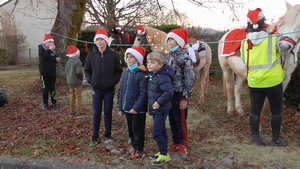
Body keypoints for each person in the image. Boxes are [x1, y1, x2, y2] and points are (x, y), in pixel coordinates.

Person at [240, 8, 286, 147]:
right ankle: (275, 139)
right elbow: (284, 53)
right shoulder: (273, 39)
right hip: (274, 81)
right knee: (276, 111)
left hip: (254, 83)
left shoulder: (243, 43)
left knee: (255, 111)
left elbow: (244, 60)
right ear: (263, 23)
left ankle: (256, 139)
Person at [84, 28, 123, 147]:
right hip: (96, 90)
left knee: (107, 112)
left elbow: (118, 70)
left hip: (109, 90)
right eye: (98, 40)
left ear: (106, 41)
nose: (100, 42)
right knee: (96, 113)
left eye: (102, 39)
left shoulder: (113, 56)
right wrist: (91, 81)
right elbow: (87, 70)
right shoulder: (91, 56)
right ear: (95, 42)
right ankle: (94, 135)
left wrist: (113, 82)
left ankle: (108, 133)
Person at [165, 29, 195, 155]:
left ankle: (183, 143)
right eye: (168, 39)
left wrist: (185, 98)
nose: (169, 41)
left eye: (171, 39)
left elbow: (189, 78)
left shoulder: (185, 58)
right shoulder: (167, 57)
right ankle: (175, 142)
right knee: (171, 119)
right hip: (169, 93)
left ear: (178, 41)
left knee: (180, 120)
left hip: (179, 94)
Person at [118, 46, 148, 160]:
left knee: (138, 129)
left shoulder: (142, 75)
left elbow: (143, 94)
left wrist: (136, 107)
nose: (129, 59)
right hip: (127, 108)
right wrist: (120, 107)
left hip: (138, 110)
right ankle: (134, 147)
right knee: (131, 129)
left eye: (132, 57)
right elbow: (122, 92)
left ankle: (139, 149)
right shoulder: (125, 74)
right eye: (127, 56)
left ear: (138, 59)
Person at [147, 51, 174, 165]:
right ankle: (163, 152)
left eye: (152, 62)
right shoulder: (154, 75)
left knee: (156, 132)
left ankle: (164, 155)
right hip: (156, 109)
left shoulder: (163, 77)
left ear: (160, 65)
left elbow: (168, 92)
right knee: (162, 131)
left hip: (161, 109)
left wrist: (158, 102)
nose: (149, 64)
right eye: (148, 62)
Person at [38, 33, 60, 111]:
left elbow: (54, 58)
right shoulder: (41, 48)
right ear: (45, 43)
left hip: (52, 72)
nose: (51, 44)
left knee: (53, 89)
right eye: (49, 42)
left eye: (52, 42)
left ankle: (54, 103)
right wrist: (50, 50)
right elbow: (44, 57)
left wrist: (56, 60)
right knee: (45, 89)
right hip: (44, 72)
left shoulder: (53, 51)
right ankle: (45, 103)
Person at [65, 46, 83, 117]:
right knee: (78, 96)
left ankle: (71, 111)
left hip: (70, 81)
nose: (79, 54)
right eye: (78, 52)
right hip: (76, 82)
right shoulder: (77, 61)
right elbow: (78, 72)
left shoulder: (68, 61)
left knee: (72, 96)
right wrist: (81, 77)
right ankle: (79, 112)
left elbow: (66, 71)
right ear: (76, 54)